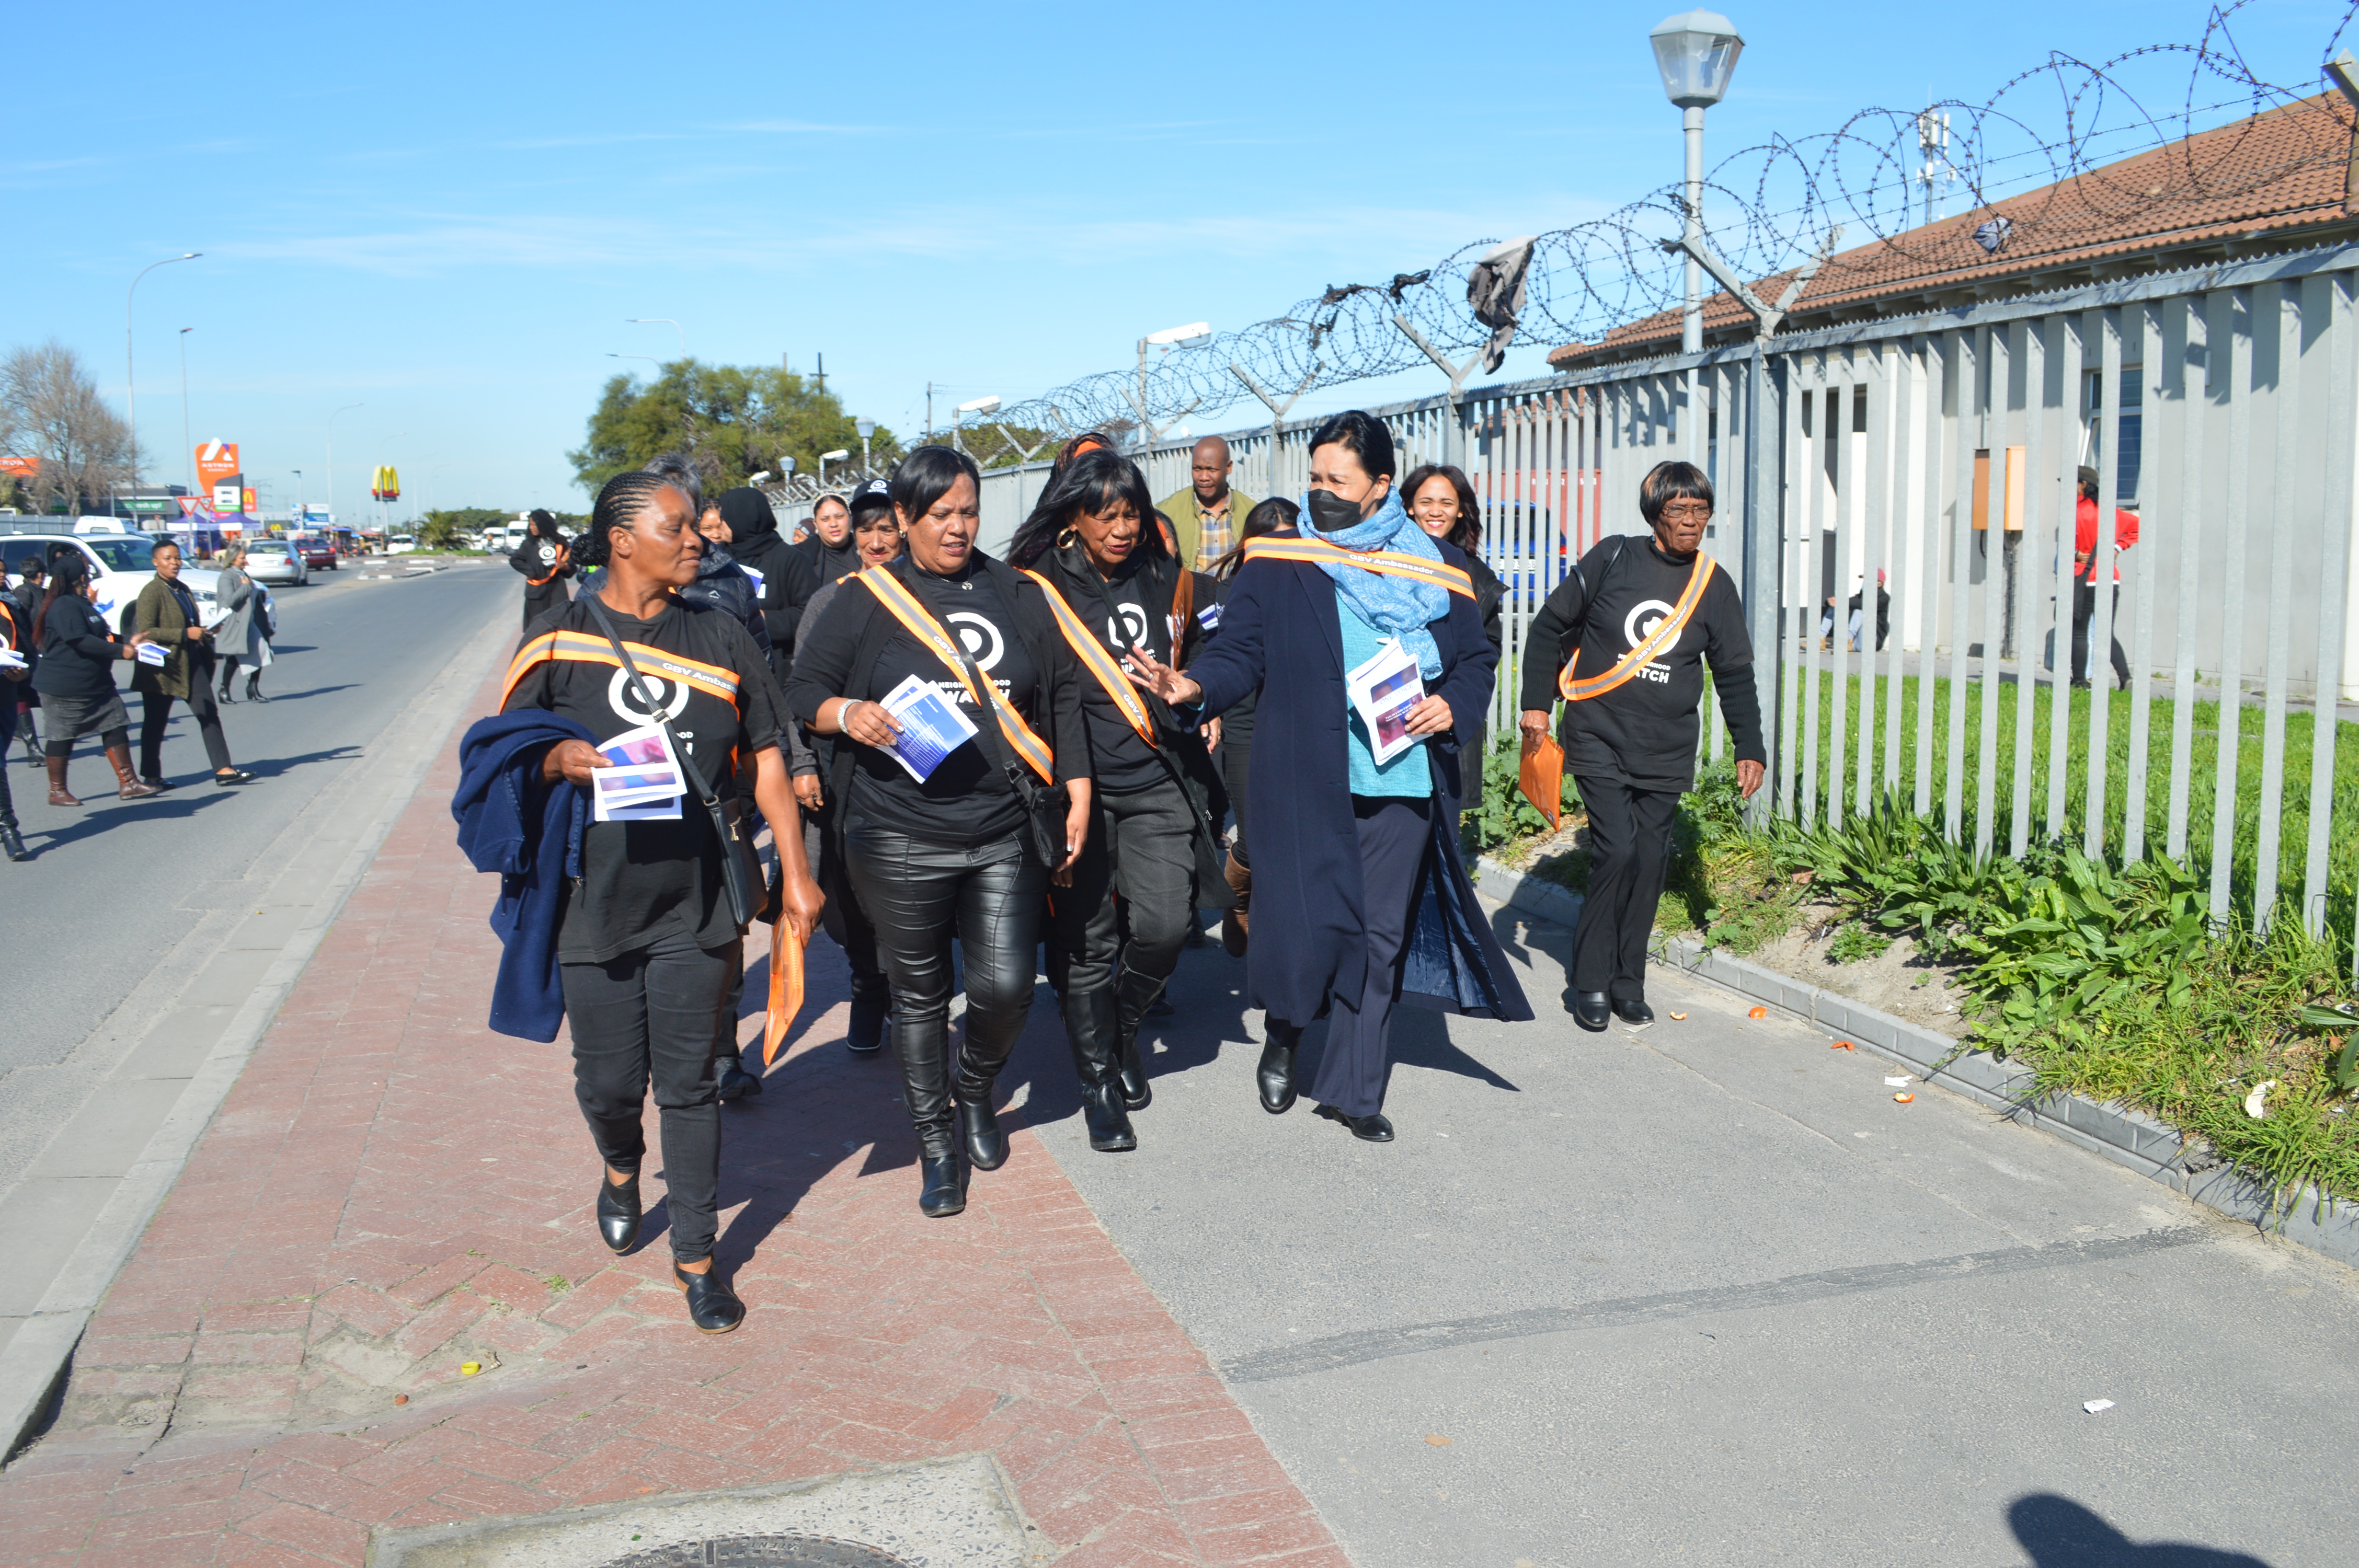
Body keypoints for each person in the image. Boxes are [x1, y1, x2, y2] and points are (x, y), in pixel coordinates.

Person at [1126, 411, 1531, 1142]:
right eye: (1314, 479)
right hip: (1306, 776)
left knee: (1378, 937)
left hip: (1403, 777)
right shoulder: (1282, 559)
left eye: (1336, 481)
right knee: (1309, 928)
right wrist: (1195, 689)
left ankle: (1354, 1089)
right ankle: (1286, 1030)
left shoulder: (1440, 568)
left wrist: (1452, 706)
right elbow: (1239, 651)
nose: (1320, 492)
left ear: (1381, 486)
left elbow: (1476, 660)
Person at [495, 467, 824, 1333]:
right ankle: (617, 1165)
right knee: (609, 1082)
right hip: (590, 898)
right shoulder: (558, 635)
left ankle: (697, 1256)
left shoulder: (720, 633)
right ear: (622, 540)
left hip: (698, 898)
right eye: (677, 529)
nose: (697, 542)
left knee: (688, 1083)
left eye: (698, 529)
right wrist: (556, 761)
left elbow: (763, 752)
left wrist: (795, 873)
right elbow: (503, 754)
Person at [785, 445, 1092, 1212]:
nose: (957, 529)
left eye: (968, 512)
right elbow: (804, 691)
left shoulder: (1018, 591)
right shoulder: (864, 600)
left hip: (1001, 826)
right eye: (940, 515)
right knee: (919, 996)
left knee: (1006, 987)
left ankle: (975, 1086)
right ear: (906, 520)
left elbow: (1060, 696)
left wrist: (1079, 791)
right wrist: (848, 715)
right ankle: (934, 1142)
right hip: (897, 832)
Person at [1011, 448, 1228, 1123]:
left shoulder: (1165, 573)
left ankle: (1120, 1027)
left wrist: (1195, 694)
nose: (1121, 528)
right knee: (1087, 939)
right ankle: (1098, 1081)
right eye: (1105, 515)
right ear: (1073, 516)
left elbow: (1211, 644)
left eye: (1131, 513)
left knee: (1164, 928)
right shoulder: (1032, 585)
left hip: (1158, 779)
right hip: (1075, 789)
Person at [1517, 460, 1766, 1032]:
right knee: (1618, 852)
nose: (1690, 522)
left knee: (1651, 861)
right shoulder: (1613, 559)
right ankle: (1590, 981)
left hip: (1666, 746)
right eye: (1678, 510)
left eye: (1700, 510)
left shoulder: (1713, 583)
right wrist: (1537, 703)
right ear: (1654, 513)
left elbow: (1733, 673)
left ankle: (1629, 982)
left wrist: (1749, 746)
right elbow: (1549, 627)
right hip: (1599, 732)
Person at [783, 479, 902, 1058]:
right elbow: (799, 692)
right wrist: (803, 763)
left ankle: (910, 994)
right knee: (849, 897)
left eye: (887, 528)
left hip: (914, 773)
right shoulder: (828, 602)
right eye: (866, 529)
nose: (877, 541)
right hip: (841, 773)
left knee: (908, 891)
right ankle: (868, 985)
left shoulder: (932, 598)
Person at [1204, 497, 1298, 956]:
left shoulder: (1315, 591)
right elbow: (1207, 656)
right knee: (1256, 834)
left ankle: (1283, 932)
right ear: (1249, 545)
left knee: (1294, 834)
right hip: (1243, 728)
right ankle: (1239, 892)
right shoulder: (1223, 596)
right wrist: (1211, 705)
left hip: (1299, 728)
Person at [1402, 464, 1505, 793]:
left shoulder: (1476, 576)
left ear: (1461, 511)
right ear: (1408, 507)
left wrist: (1452, 699)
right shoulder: (1381, 562)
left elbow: (1485, 651)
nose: (1436, 512)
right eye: (1426, 502)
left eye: (1447, 503)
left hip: (1444, 712)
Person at [30, 556, 161, 806]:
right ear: (79, 577)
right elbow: (80, 640)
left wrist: (128, 641)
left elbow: (101, 635)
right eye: (87, 572)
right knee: (62, 736)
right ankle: (57, 791)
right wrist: (121, 653)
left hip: (96, 684)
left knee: (115, 724)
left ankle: (129, 783)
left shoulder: (81, 603)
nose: (89, 576)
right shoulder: (63, 606)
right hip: (64, 687)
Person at [132, 541, 255, 791]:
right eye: (168, 559)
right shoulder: (151, 591)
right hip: (163, 669)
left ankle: (224, 770)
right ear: (155, 562)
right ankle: (151, 776)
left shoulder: (183, 589)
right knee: (156, 722)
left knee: (208, 713)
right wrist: (185, 634)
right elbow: (146, 632)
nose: (175, 563)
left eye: (178, 558)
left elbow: (191, 626)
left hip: (191, 663)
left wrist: (207, 632)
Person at [716, 485, 801, 672]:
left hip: (778, 666)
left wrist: (761, 619)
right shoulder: (720, 558)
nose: (720, 524)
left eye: (724, 518)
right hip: (730, 664)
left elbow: (808, 614)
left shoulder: (790, 559)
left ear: (741, 517)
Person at [2071, 465, 2138, 690]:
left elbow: (2072, 545)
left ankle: (2080, 680)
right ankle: (2125, 677)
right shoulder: (2110, 511)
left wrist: (2075, 554)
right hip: (2110, 580)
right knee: (2105, 633)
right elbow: (2138, 526)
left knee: (2079, 631)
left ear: (2083, 485)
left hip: (2085, 578)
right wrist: (2118, 547)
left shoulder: (2074, 510)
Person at [1158, 436, 1257, 573]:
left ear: (1228, 467)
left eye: (1212, 470)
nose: (1204, 477)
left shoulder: (1252, 513)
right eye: (1197, 469)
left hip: (1234, 594)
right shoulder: (1167, 512)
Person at [212, 544, 276, 704]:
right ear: (233, 559)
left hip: (251, 622)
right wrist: (246, 587)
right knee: (235, 656)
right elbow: (230, 600)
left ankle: (253, 687)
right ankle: (224, 689)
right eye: (242, 558)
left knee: (262, 651)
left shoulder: (243, 574)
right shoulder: (227, 576)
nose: (245, 561)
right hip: (236, 623)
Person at [784, 492, 858, 618]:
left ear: (850, 517)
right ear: (815, 524)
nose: (833, 524)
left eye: (839, 517)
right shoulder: (801, 557)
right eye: (825, 519)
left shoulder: (868, 548)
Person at [510, 509, 574, 629]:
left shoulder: (559, 541)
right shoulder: (529, 544)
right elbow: (515, 560)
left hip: (557, 591)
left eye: (534, 524)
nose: (531, 527)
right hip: (536, 593)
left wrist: (565, 567)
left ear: (543, 524)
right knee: (537, 628)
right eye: (530, 524)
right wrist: (531, 572)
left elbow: (571, 566)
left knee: (559, 626)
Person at [0, 590, 28, 859]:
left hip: (5, 698)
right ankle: (9, 828)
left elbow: (28, 653)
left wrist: (23, 673)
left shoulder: (8, 611)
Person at [10, 557, 44, 766]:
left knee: (21, 697)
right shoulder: (22, 593)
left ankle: (33, 749)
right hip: (15, 652)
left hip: (24, 652)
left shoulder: (9, 594)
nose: (3, 574)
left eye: (4, 570)